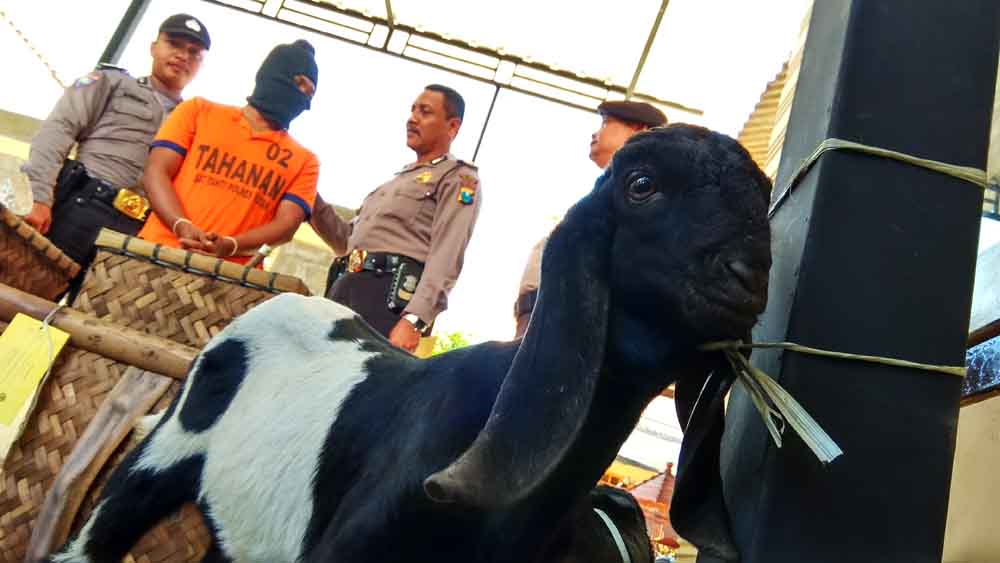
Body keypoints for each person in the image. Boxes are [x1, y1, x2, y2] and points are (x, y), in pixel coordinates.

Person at [20, 14, 210, 269]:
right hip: (79, 209)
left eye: (194, 52)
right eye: (174, 43)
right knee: (26, 295)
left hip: (138, 234)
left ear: (201, 64)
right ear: (154, 47)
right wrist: (40, 197)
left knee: (90, 308)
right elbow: (57, 133)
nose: (182, 55)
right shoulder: (110, 82)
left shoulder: (197, 122)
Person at [310, 84, 481, 352]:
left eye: (425, 112)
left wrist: (414, 320)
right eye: (412, 110)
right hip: (345, 290)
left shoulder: (458, 178)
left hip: (388, 301)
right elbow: (345, 242)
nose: (412, 118)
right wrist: (310, 199)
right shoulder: (392, 184)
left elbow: (447, 255)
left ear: (452, 127)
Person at [137, 40, 320, 265]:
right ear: (274, 74)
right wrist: (180, 224)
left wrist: (231, 245)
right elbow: (156, 171)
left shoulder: (305, 161)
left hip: (229, 278)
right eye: (300, 84)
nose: (304, 98)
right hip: (154, 253)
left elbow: (287, 225)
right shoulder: (198, 111)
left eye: (310, 93)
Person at [513, 100, 667, 337]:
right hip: (546, 309)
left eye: (606, 123)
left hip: (572, 316)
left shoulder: (645, 194)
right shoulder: (611, 188)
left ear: (638, 129)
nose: (596, 133)